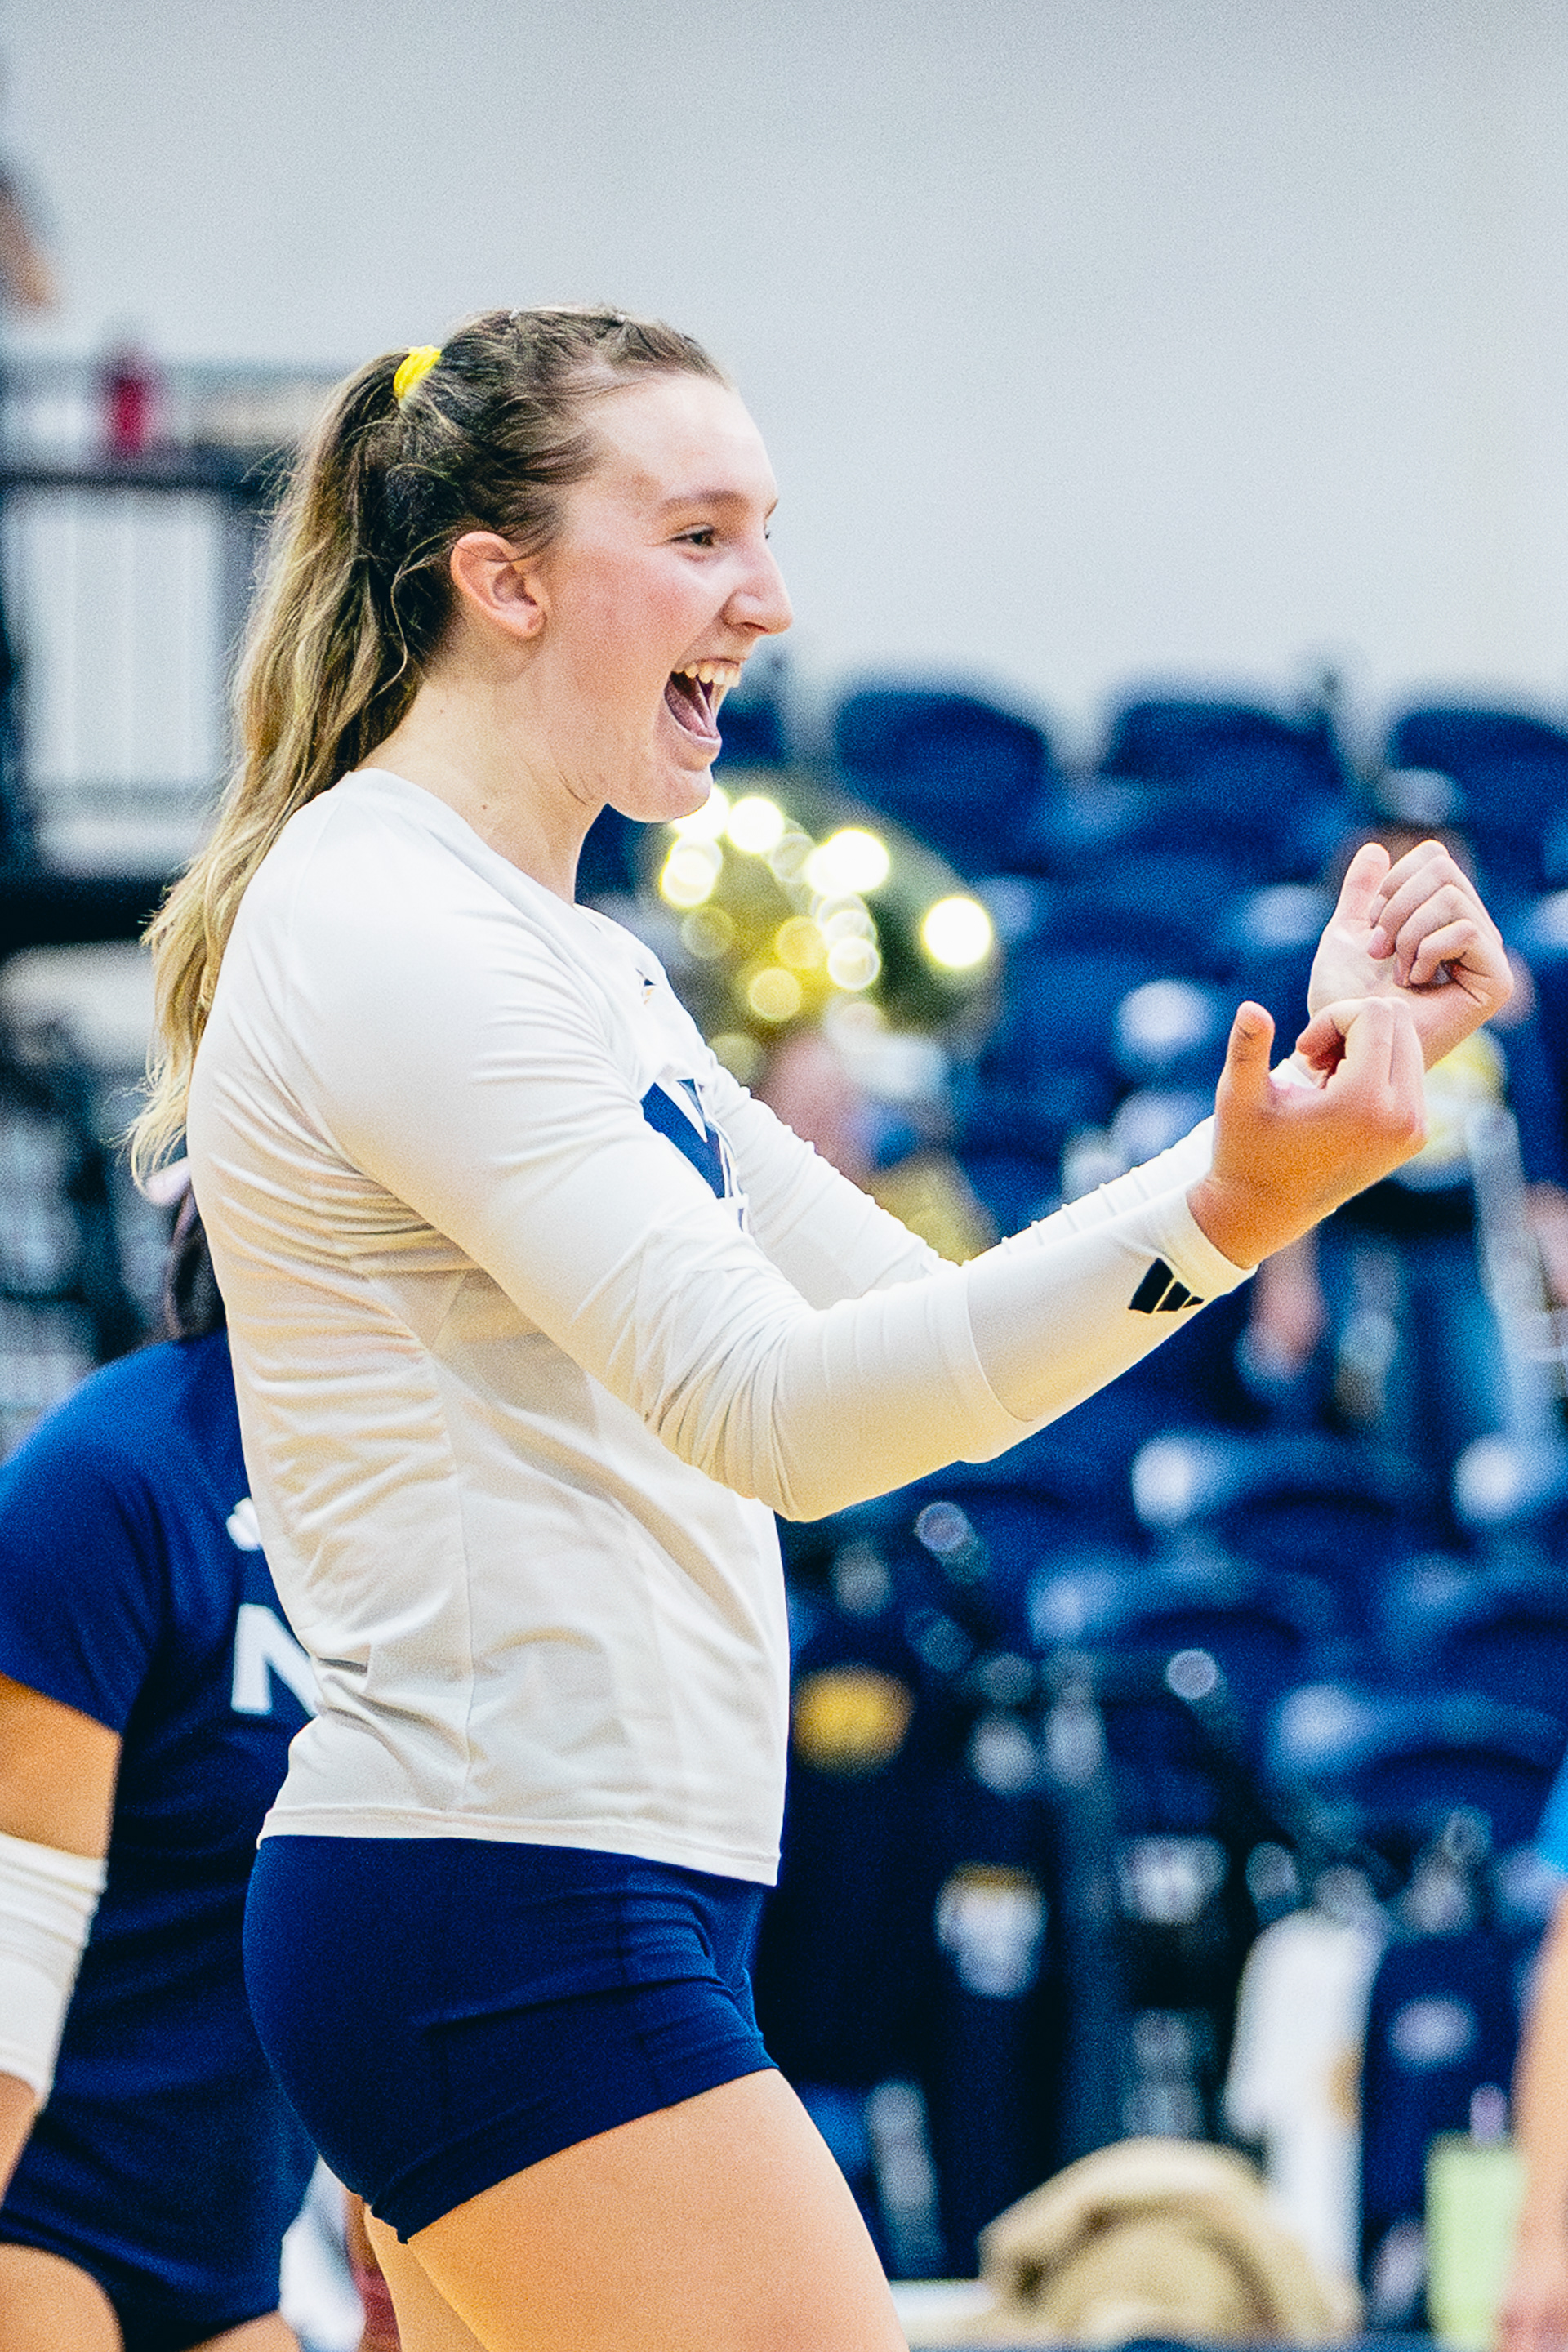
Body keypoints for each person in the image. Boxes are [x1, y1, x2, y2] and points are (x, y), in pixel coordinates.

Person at [131, 306, 1511, 2352]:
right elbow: (779, 1415)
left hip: (576, 1887)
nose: (765, 601)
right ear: (499, 581)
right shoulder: (391, 926)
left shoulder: (574, 961)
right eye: (697, 534)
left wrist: (1274, 1148)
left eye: (763, 533)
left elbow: (920, 1338)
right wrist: (1237, 1203)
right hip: (499, 1892)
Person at [0, 1183, 319, 2351]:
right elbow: (10, 1942)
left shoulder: (426, 1506)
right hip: (43, 2213)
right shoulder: (114, 1476)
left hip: (239, 2250)